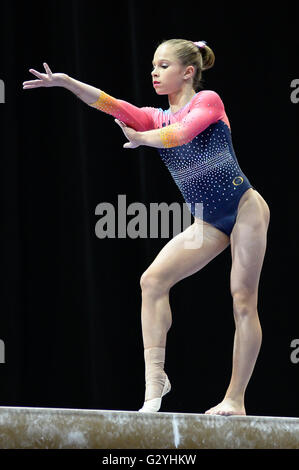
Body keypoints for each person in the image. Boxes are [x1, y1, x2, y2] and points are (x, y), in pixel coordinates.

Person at [23, 38, 270, 416]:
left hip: (245, 208)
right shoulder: (156, 118)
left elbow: (183, 133)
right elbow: (111, 105)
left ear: (188, 72)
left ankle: (234, 399)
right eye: (153, 65)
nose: (154, 72)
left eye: (163, 65)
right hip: (209, 221)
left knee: (242, 299)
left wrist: (141, 139)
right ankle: (155, 382)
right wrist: (69, 82)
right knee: (152, 281)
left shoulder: (208, 102)